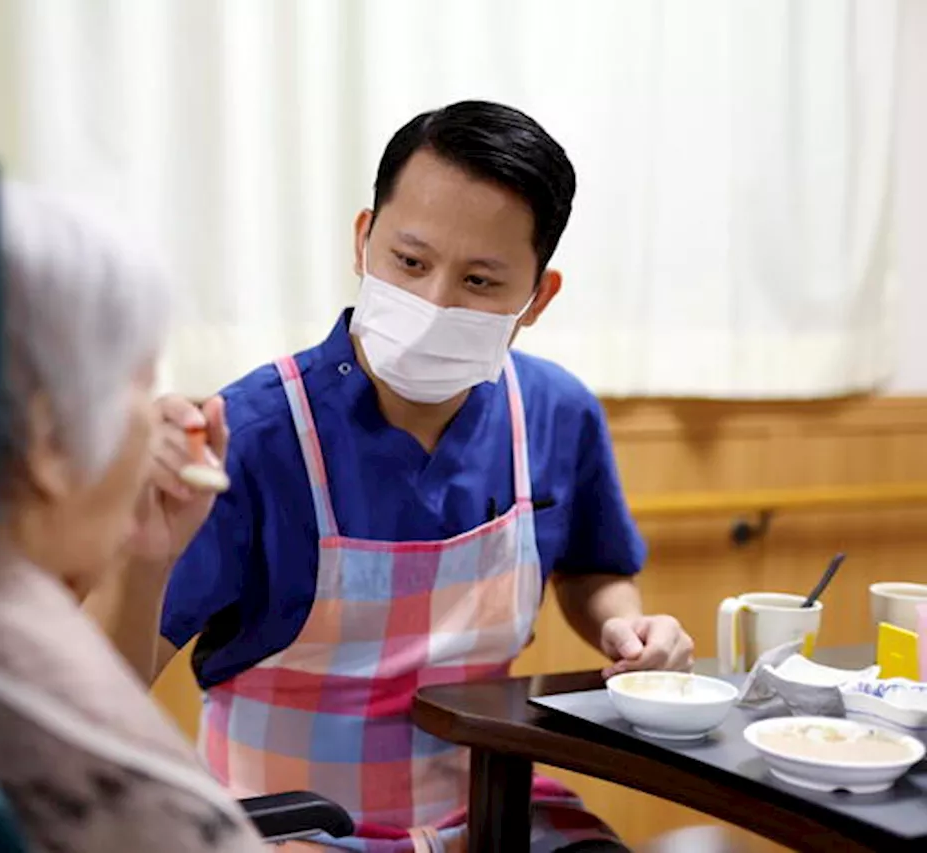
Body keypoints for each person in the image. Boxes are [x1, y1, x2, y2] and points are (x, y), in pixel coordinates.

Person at [97, 101, 696, 853]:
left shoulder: (553, 412)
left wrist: (624, 622)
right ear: (363, 240)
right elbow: (105, 692)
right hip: (292, 820)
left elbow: (592, 569)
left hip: (492, 803)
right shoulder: (252, 435)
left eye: (480, 281)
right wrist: (140, 558)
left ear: (538, 298)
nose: (433, 302)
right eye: (410, 263)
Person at [0, 181, 269, 853]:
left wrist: (148, 558)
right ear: (48, 443)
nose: (159, 417)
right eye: (140, 380)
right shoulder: (27, 687)